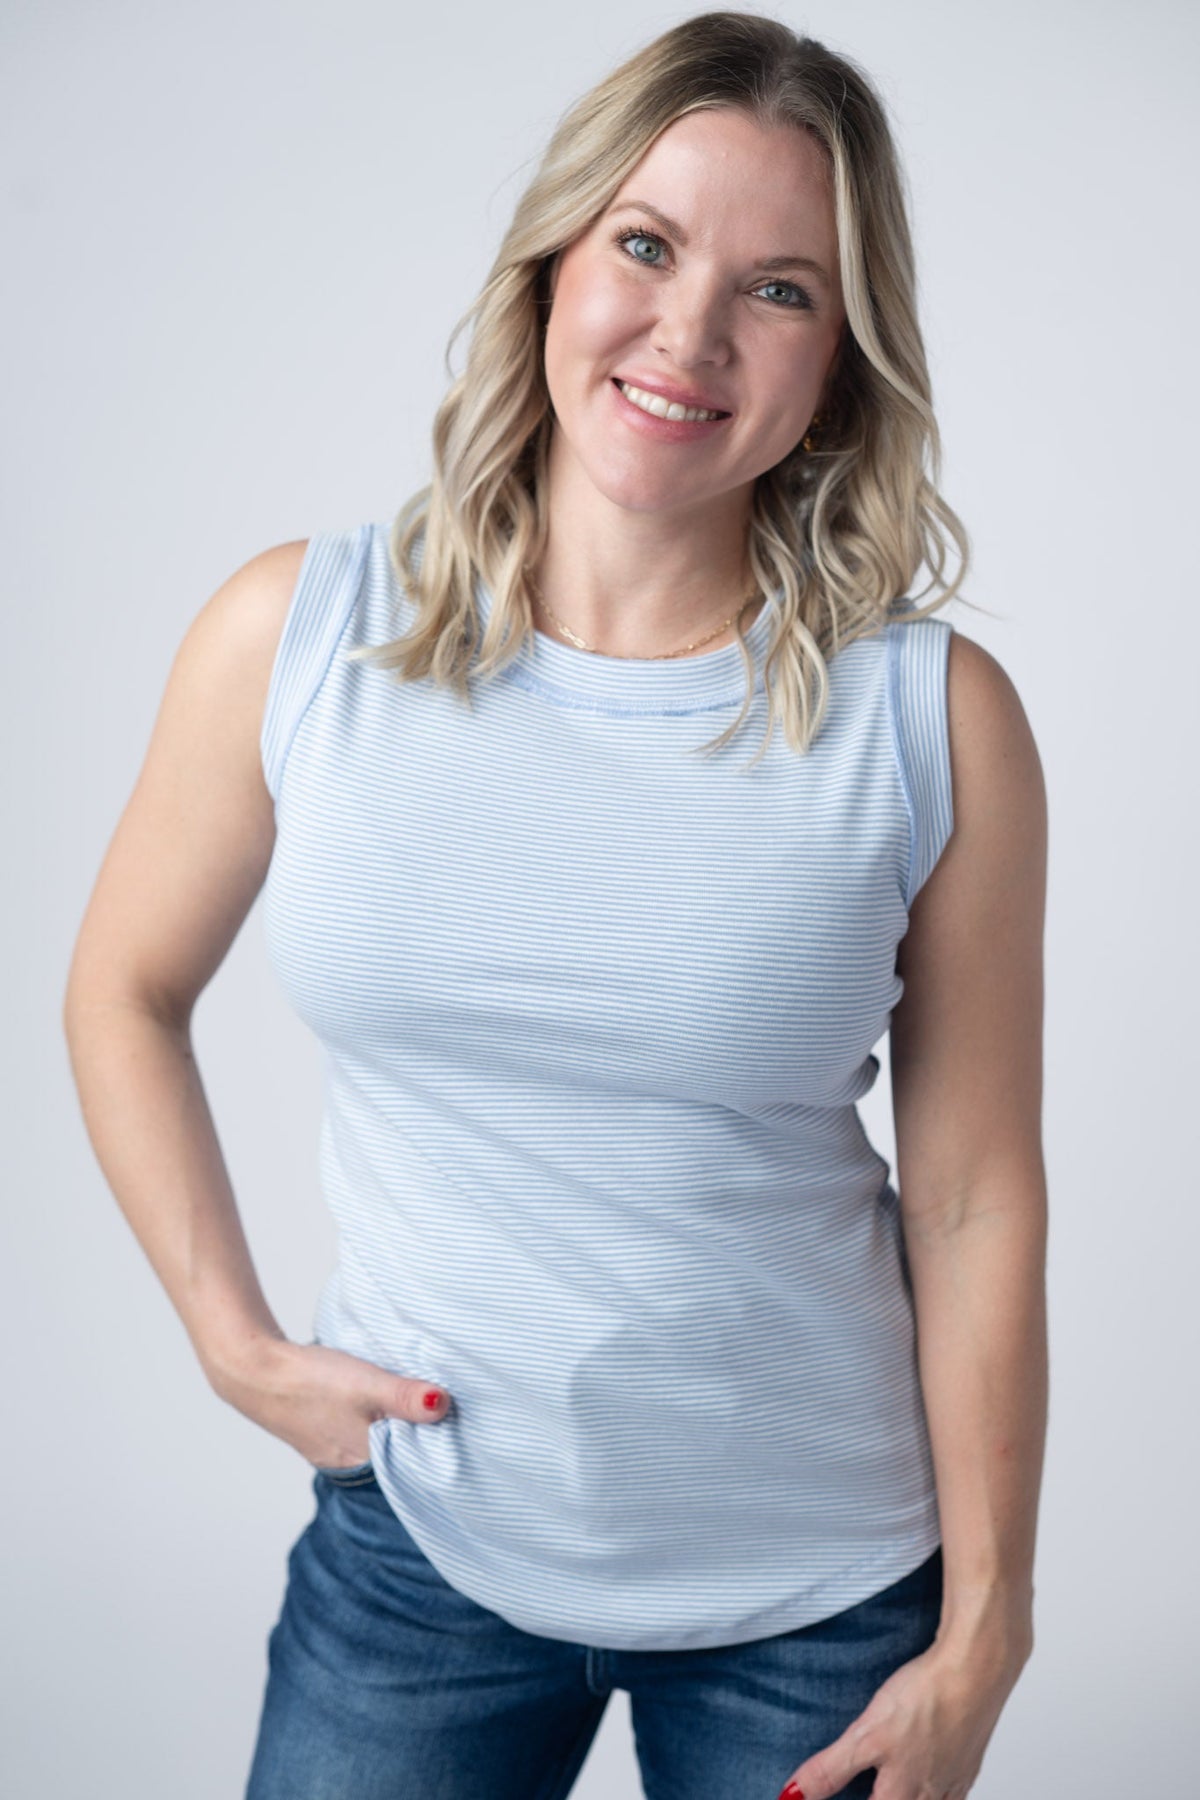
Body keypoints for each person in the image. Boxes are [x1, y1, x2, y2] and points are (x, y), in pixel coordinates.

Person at [62, 11, 1048, 1800]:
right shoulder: (296, 637)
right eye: (648, 247)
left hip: (818, 1603)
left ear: (841, 356)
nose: (690, 334)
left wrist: (988, 1629)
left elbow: (976, 1194)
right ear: (551, 265)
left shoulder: (930, 718)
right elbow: (120, 988)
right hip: (422, 1554)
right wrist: (235, 1342)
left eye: (782, 289)